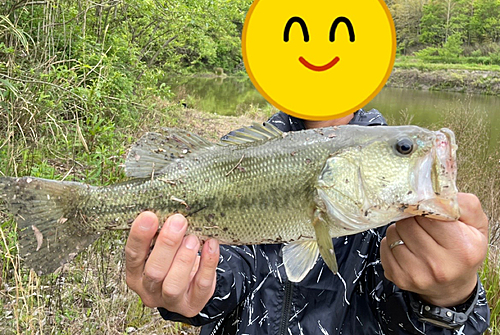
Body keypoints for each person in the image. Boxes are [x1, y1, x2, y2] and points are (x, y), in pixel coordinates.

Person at [125, 109, 490, 334]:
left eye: (403, 147)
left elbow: (437, 321)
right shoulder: (236, 153)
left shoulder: (396, 209)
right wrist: (185, 290)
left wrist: (451, 299)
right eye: (404, 149)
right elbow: (224, 276)